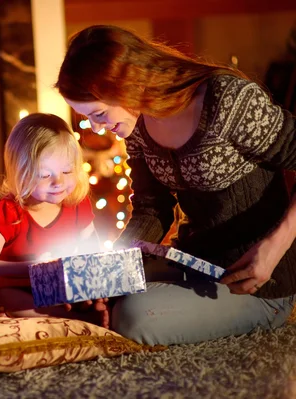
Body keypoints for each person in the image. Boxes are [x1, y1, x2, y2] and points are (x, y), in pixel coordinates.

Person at [55, 25, 296, 346]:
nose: (97, 128)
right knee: (76, 286)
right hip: (195, 262)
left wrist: (274, 245)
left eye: (98, 114)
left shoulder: (227, 101)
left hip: (258, 282)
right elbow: (152, 209)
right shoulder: (137, 126)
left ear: (127, 84)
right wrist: (112, 271)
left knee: (132, 316)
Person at [0, 113, 108, 326]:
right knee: (4, 296)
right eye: (45, 175)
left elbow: (93, 253)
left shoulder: (77, 205)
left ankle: (77, 309)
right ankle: (71, 317)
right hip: (15, 285)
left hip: (57, 283)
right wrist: (34, 268)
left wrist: (93, 284)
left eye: (67, 171)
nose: (59, 182)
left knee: (91, 292)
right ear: (21, 173)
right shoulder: (9, 211)